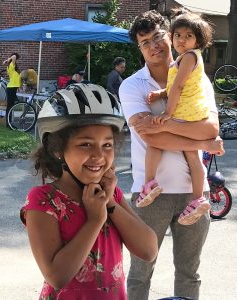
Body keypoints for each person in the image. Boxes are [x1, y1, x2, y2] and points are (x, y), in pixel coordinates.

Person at [119, 10, 224, 300]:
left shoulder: (198, 78)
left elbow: (212, 127)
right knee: (141, 273)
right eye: (145, 43)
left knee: (189, 273)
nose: (154, 46)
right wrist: (201, 142)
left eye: (157, 37)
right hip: (150, 193)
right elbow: (148, 134)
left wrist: (171, 127)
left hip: (194, 193)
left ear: (171, 35)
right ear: (139, 49)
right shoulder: (132, 86)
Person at [20, 83, 158, 299]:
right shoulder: (44, 200)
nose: (99, 155)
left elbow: (148, 251)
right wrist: (95, 220)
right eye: (85, 145)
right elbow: (57, 276)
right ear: (57, 149)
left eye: (107, 145)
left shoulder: (111, 195)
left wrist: (110, 203)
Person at [137, 9, 224, 226]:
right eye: (178, 35)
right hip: (190, 115)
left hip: (185, 114)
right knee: (192, 156)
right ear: (172, 35)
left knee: (155, 142)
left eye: (188, 36)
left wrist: (167, 114)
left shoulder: (189, 57)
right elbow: (174, 86)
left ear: (198, 39)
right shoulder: (184, 60)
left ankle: (150, 184)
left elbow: (177, 87)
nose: (182, 40)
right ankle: (198, 199)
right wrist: (159, 94)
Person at [3, 53, 21, 127]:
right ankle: (8, 123)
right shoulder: (11, 65)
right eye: (17, 60)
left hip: (13, 87)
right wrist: (8, 59)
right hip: (11, 88)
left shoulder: (12, 67)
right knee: (10, 106)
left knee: (11, 106)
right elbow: (14, 56)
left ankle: (9, 123)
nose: (17, 61)